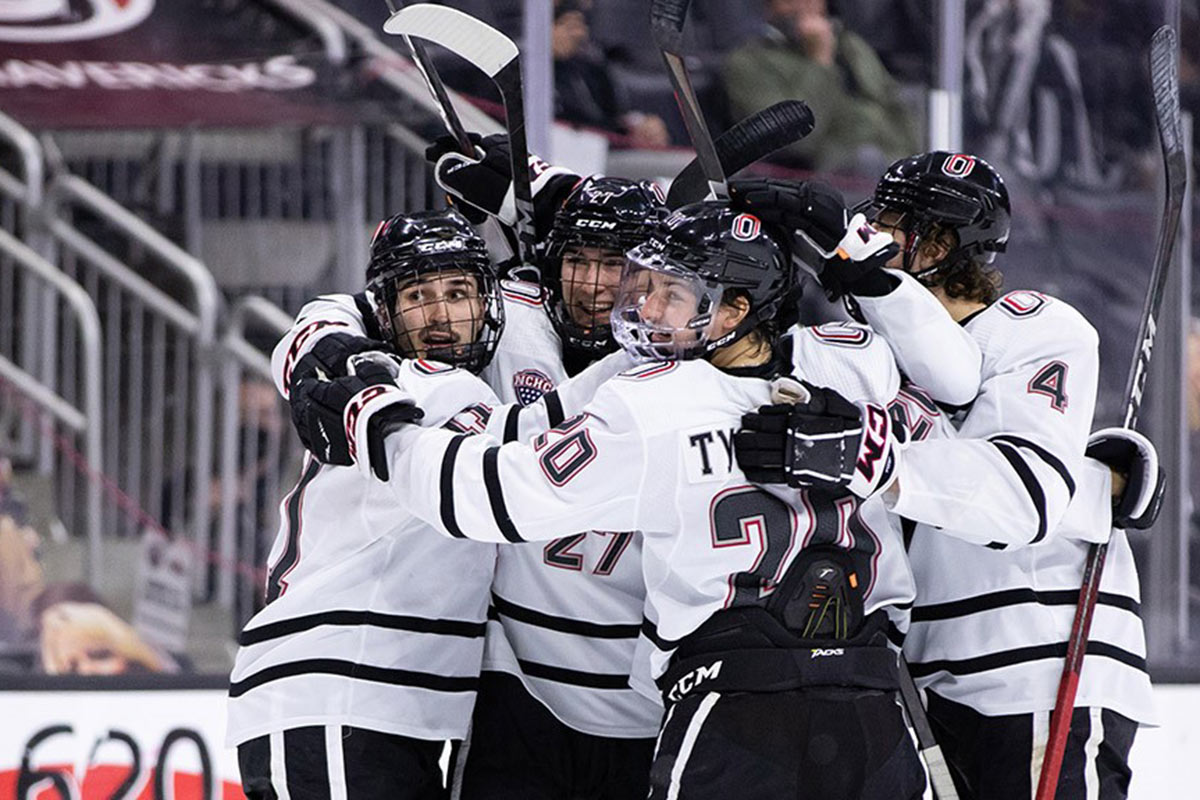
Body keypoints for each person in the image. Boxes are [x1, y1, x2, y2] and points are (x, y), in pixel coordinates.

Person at [292, 199, 929, 800]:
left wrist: (378, 426)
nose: (646, 310)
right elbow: (948, 388)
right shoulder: (853, 367)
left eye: (672, 295)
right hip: (876, 703)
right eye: (647, 288)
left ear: (732, 311)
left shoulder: (658, 401)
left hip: (735, 709)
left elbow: (487, 499)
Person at [734, 152, 1160, 799]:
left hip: (1039, 670)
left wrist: (861, 456)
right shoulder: (874, 355)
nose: (870, 232)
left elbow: (1021, 497)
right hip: (926, 682)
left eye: (890, 223)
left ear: (940, 243)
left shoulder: (1032, 324)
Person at [285, 137, 672, 796]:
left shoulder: (691, 361)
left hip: (646, 704)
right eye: (580, 261)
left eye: (620, 267)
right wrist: (339, 355)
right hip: (515, 692)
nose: (598, 286)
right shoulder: (504, 318)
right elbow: (365, 306)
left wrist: (550, 189)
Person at [226, 209, 506, 800]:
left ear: (487, 303)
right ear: (386, 311)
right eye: (417, 295)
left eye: (458, 292)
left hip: (375, 705)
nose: (438, 315)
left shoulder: (370, 370)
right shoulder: (433, 387)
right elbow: (525, 475)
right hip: (340, 694)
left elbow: (326, 316)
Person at [721, 0, 919, 172]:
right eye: (790, 1)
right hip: (825, 175)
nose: (804, 7)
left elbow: (895, 105)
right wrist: (820, 63)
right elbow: (796, 143)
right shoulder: (751, 62)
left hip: (888, 160)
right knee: (868, 160)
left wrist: (913, 159)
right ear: (768, 7)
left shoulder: (852, 46)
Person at [552, 0, 670, 148]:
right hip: (561, 153)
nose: (578, 33)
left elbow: (617, 115)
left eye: (581, 25)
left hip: (602, 150)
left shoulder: (590, 68)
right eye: (568, 26)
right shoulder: (528, 73)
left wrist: (640, 124)